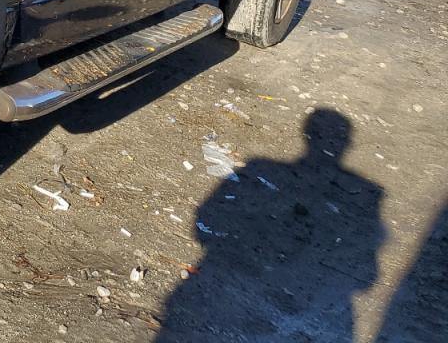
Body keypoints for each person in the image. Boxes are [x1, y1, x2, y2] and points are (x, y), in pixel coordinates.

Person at [157, 109, 385, 341]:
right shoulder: (370, 192)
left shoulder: (259, 168)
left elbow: (201, 224)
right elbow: (368, 274)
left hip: (226, 282)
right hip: (306, 299)